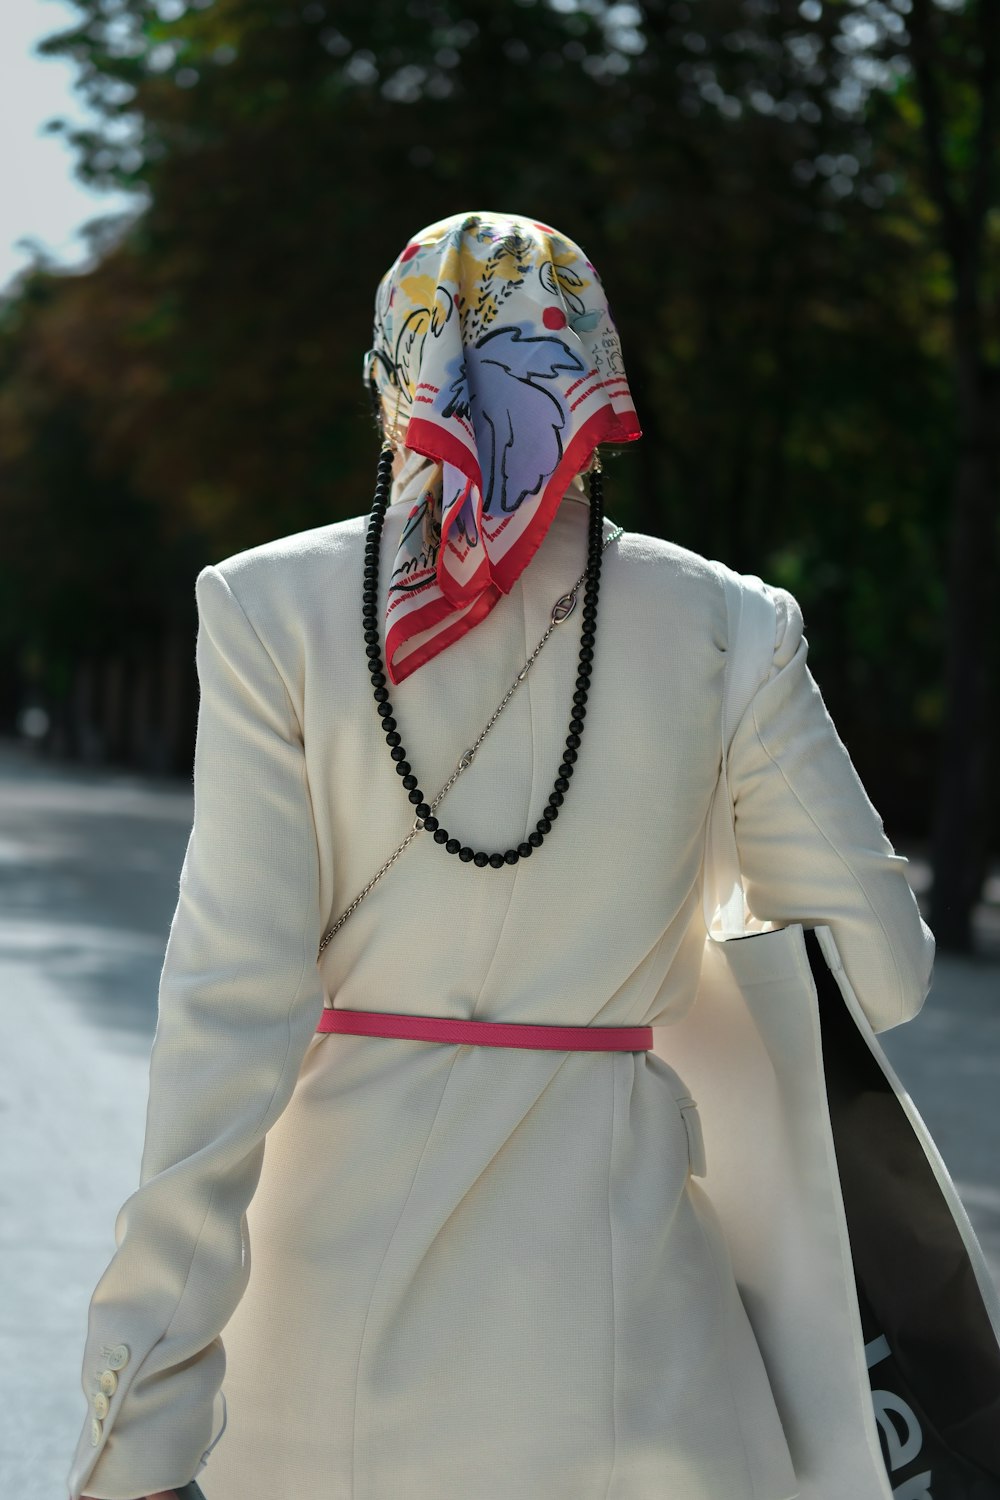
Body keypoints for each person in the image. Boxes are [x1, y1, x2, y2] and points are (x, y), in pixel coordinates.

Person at [68, 209, 934, 1500]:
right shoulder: (733, 627)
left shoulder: (268, 609)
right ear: (594, 384)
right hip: (644, 1367)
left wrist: (138, 1410)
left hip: (324, 1375)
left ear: (392, 385)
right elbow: (887, 976)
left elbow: (227, 1017)